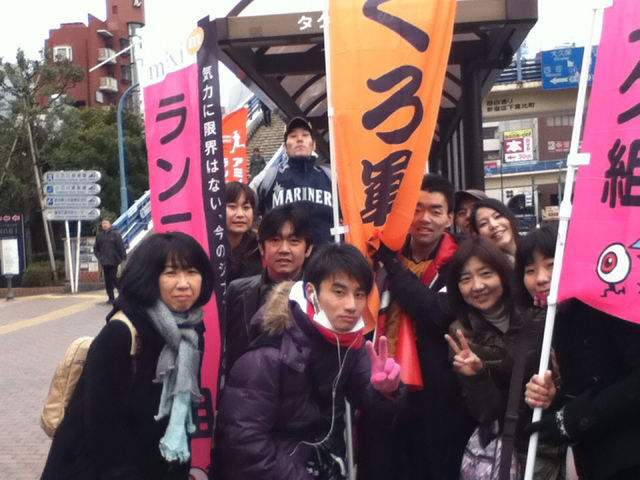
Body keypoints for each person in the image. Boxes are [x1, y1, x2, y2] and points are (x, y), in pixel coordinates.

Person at [213, 243, 405, 479]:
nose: (351, 306)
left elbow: (375, 410)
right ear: (311, 293)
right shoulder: (268, 355)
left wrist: (386, 392)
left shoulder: (350, 343)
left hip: (322, 463)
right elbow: (243, 443)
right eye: (339, 292)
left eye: (359, 294)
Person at [42, 231, 215, 479]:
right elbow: (103, 432)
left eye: (192, 272)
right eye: (171, 273)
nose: (184, 283)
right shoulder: (121, 333)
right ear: (149, 277)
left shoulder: (190, 333)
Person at [366, 173, 474, 480]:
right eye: (416, 209)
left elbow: (437, 313)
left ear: (449, 218)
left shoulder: (463, 260)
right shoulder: (382, 256)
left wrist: (394, 268)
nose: (424, 218)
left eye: (435, 211)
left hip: (442, 395)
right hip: (387, 388)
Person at [523, 224, 640, 480]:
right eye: (529, 270)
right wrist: (554, 397)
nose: (540, 278)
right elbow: (582, 389)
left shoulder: (613, 308)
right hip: (593, 461)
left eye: (551, 264)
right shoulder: (553, 320)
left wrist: (571, 419)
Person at [444, 235, 562, 479]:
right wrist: (476, 376)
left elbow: (566, 373)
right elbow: (487, 413)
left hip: (555, 440)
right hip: (510, 450)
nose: (477, 286)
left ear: (504, 273)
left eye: (486, 274)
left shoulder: (538, 311)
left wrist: (554, 390)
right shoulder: (461, 334)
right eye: (465, 279)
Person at [222, 203, 314, 373]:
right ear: (261, 247)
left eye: (294, 241)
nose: (284, 249)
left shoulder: (319, 297)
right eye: (275, 240)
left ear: (308, 249)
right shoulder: (237, 291)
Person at [253, 116, 334, 245]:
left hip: (325, 256)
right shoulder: (269, 178)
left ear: (313, 144)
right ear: (285, 147)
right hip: (284, 255)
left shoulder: (330, 178)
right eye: (293, 136)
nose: (299, 139)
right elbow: (250, 213)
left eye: (305, 135)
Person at [225, 181, 262, 282]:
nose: (240, 214)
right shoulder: (208, 247)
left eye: (246, 208)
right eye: (232, 207)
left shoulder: (260, 248)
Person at [471, 198, 520, 262]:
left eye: (497, 216)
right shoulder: (483, 265)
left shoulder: (531, 248)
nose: (493, 225)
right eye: (483, 223)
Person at [93, 218, 127, 304]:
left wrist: (122, 257)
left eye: (106, 223)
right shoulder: (99, 236)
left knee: (113, 278)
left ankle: (122, 294)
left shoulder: (115, 234)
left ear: (110, 225)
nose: (104, 225)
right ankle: (111, 298)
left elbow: (121, 246)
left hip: (114, 260)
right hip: (104, 261)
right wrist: (99, 257)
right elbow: (96, 248)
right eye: (103, 223)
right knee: (107, 280)